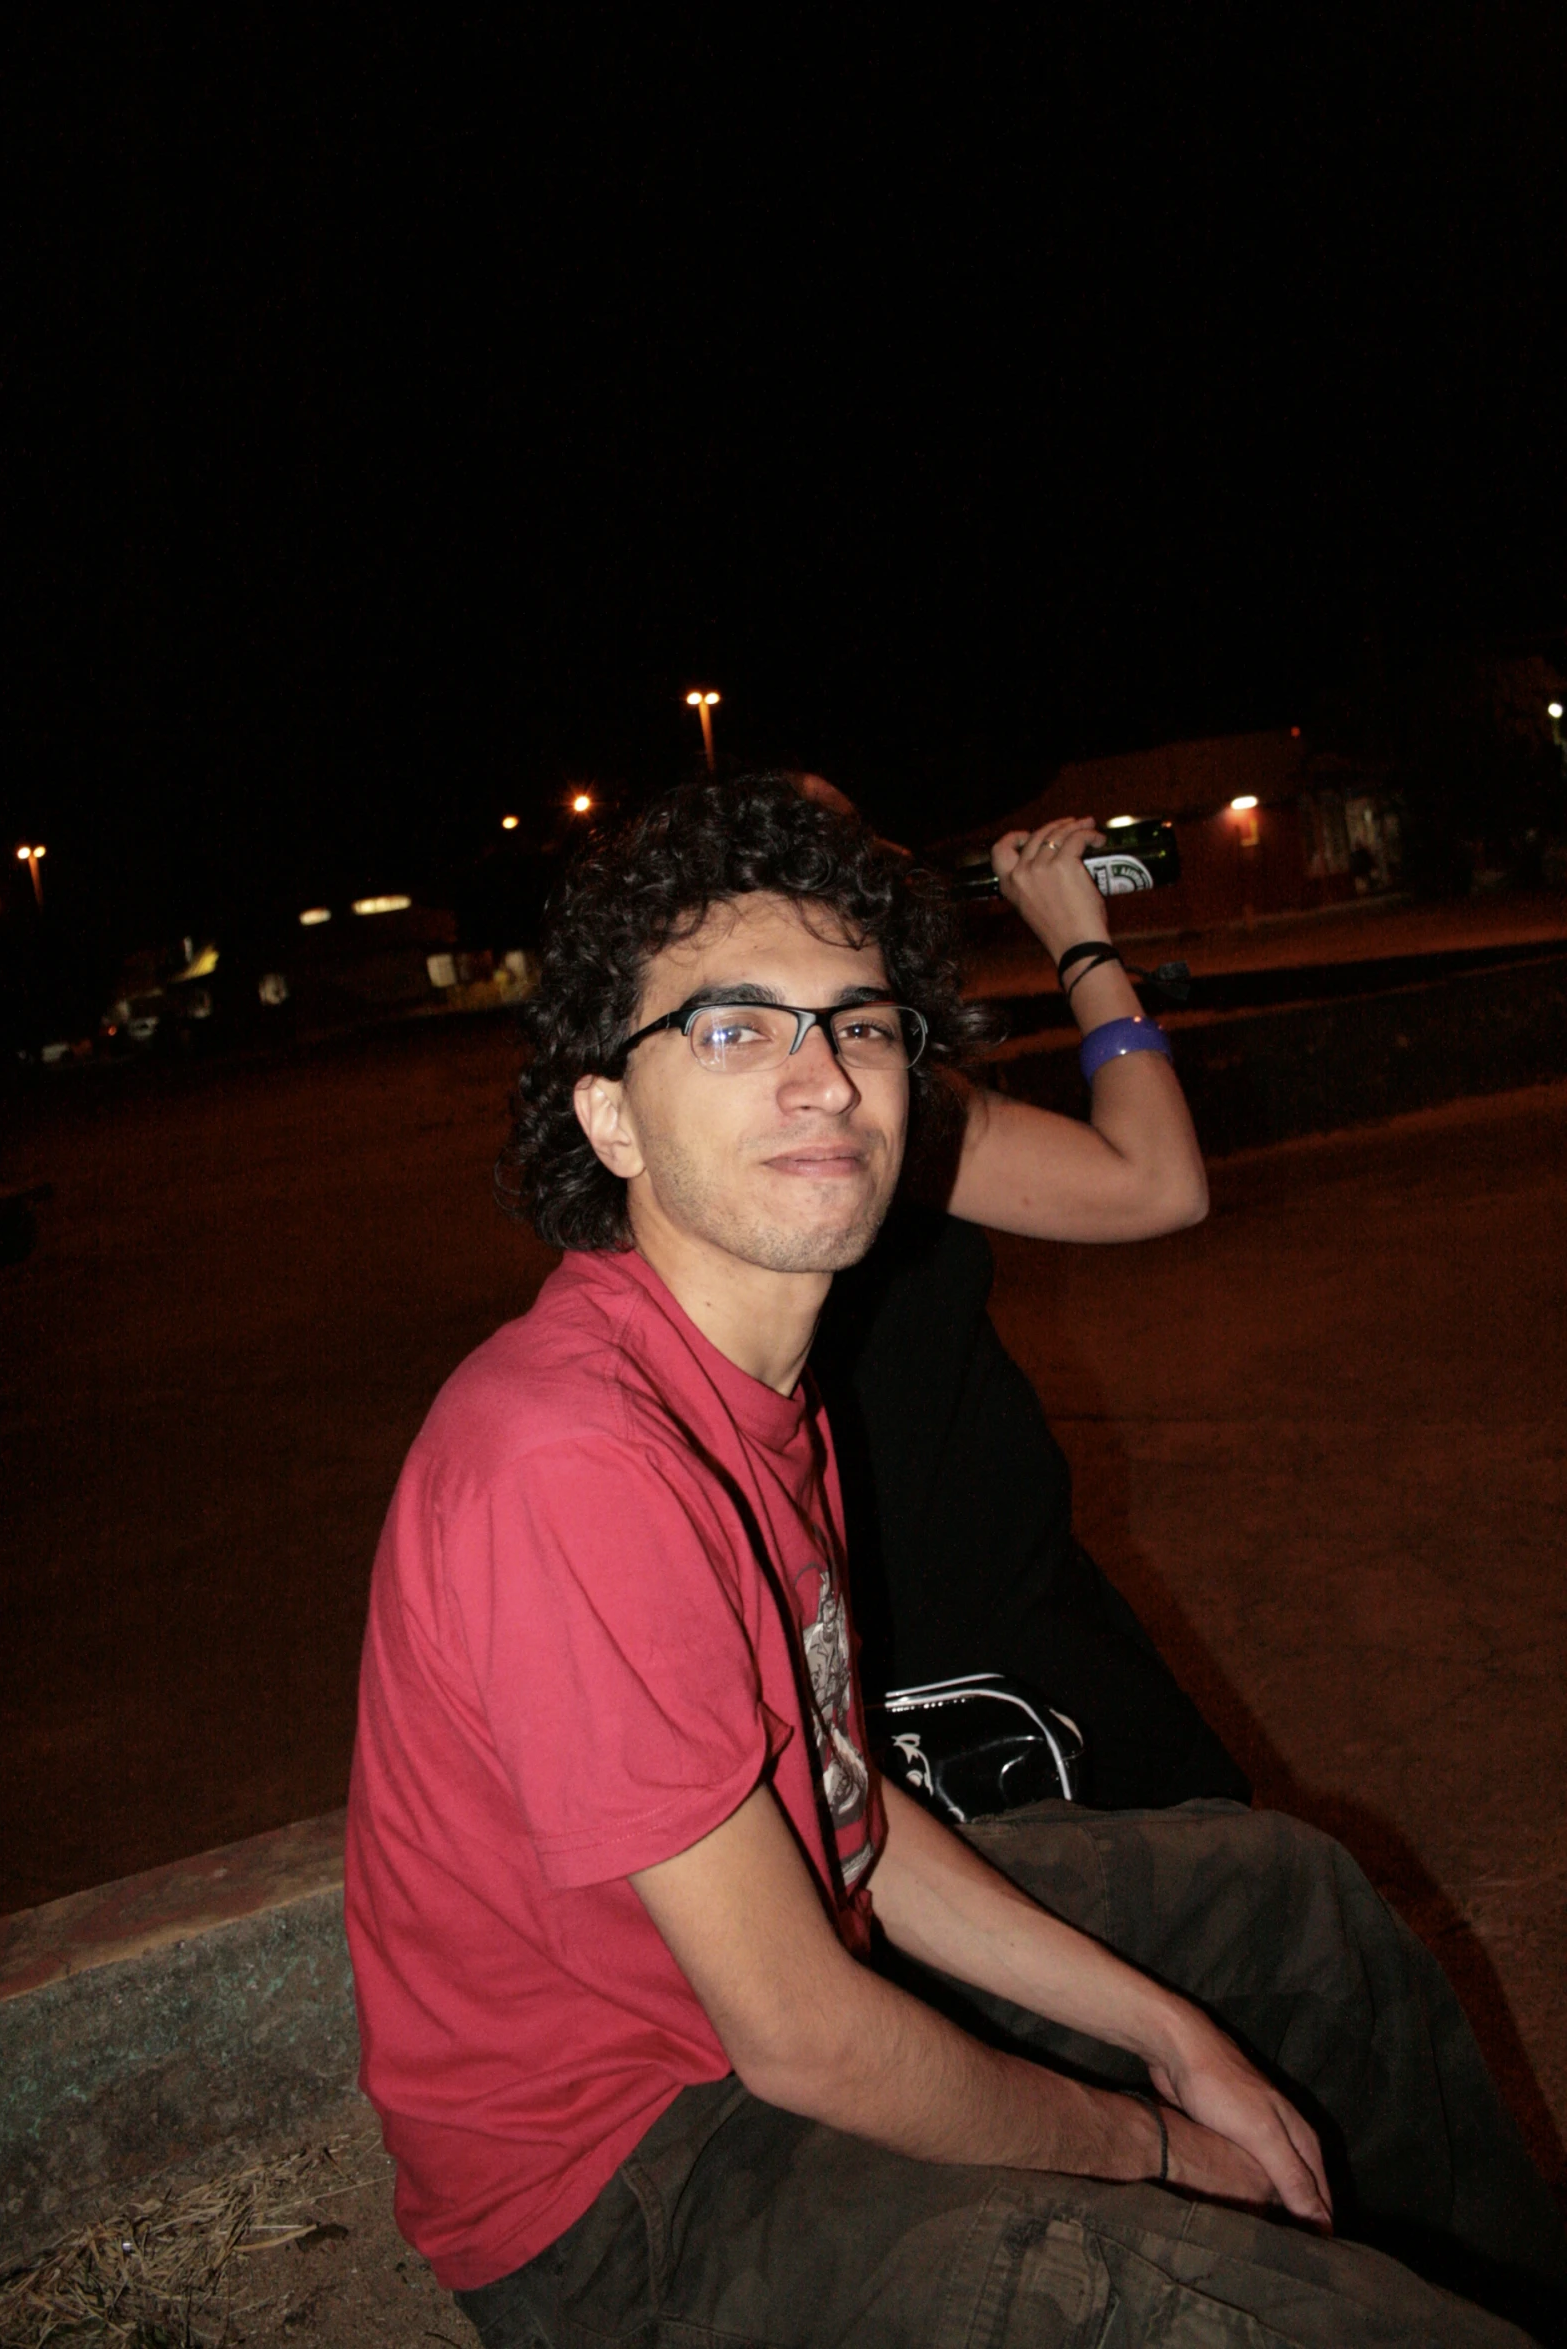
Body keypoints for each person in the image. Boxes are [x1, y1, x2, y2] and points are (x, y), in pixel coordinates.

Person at [346, 772, 1566, 2347]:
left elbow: (847, 1814)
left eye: (858, 1024)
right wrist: (1157, 2147)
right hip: (631, 2186)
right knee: (1245, 2309)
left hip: (773, 2011)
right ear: (607, 1114)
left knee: (1294, 1900)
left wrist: (1168, 2029)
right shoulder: (575, 1459)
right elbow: (802, 2038)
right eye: (733, 1029)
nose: (822, 1080)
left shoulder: (760, 1392)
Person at [810, 800, 1250, 1807]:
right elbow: (1158, 1184)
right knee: (1204, 1892)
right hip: (976, 1621)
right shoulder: (862, 1102)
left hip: (945, 1594)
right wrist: (1081, 944)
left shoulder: (823, 1085)